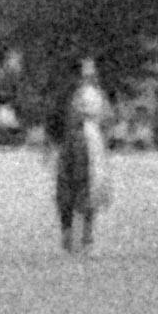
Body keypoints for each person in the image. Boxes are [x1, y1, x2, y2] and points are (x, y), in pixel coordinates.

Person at [55, 61, 112, 252]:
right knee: (84, 184)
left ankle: (75, 233)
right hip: (87, 140)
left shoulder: (76, 94)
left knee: (81, 184)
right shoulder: (91, 95)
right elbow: (107, 118)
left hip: (81, 139)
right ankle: (81, 234)